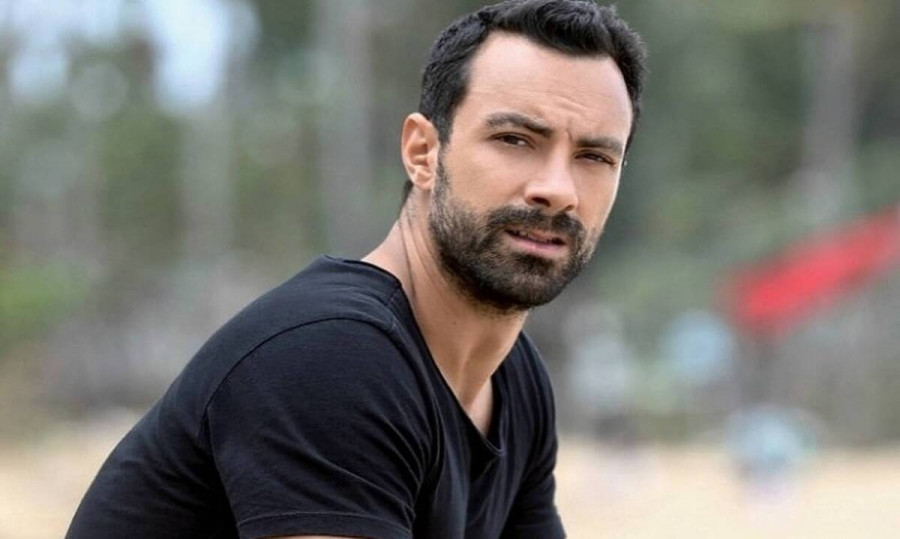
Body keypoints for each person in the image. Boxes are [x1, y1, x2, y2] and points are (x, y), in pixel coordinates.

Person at [67, 0, 647, 537]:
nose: (557, 189)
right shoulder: (332, 356)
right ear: (423, 153)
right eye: (515, 139)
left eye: (594, 156)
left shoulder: (514, 380)